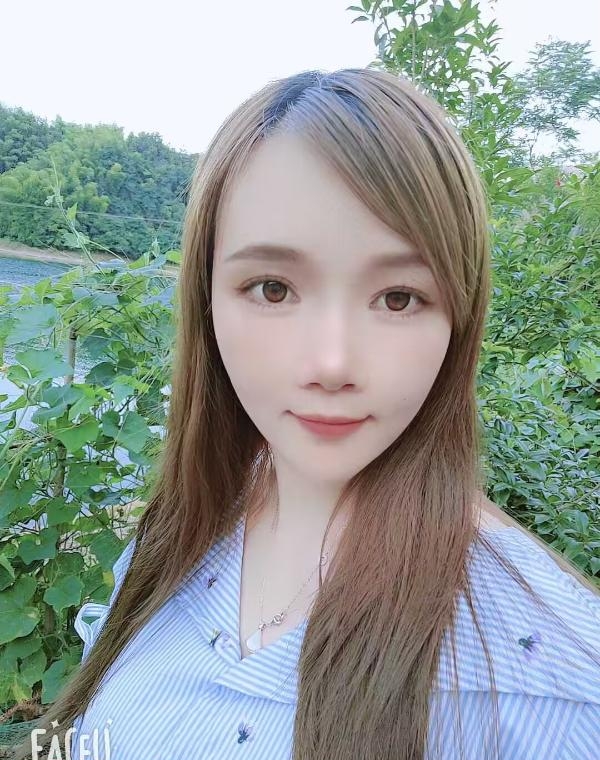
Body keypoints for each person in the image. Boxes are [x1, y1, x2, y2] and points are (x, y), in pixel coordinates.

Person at [12, 68, 600, 760]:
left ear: (459, 319)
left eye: (399, 298)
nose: (331, 364)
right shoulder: (182, 529)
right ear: (207, 301)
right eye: (273, 288)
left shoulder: (554, 686)